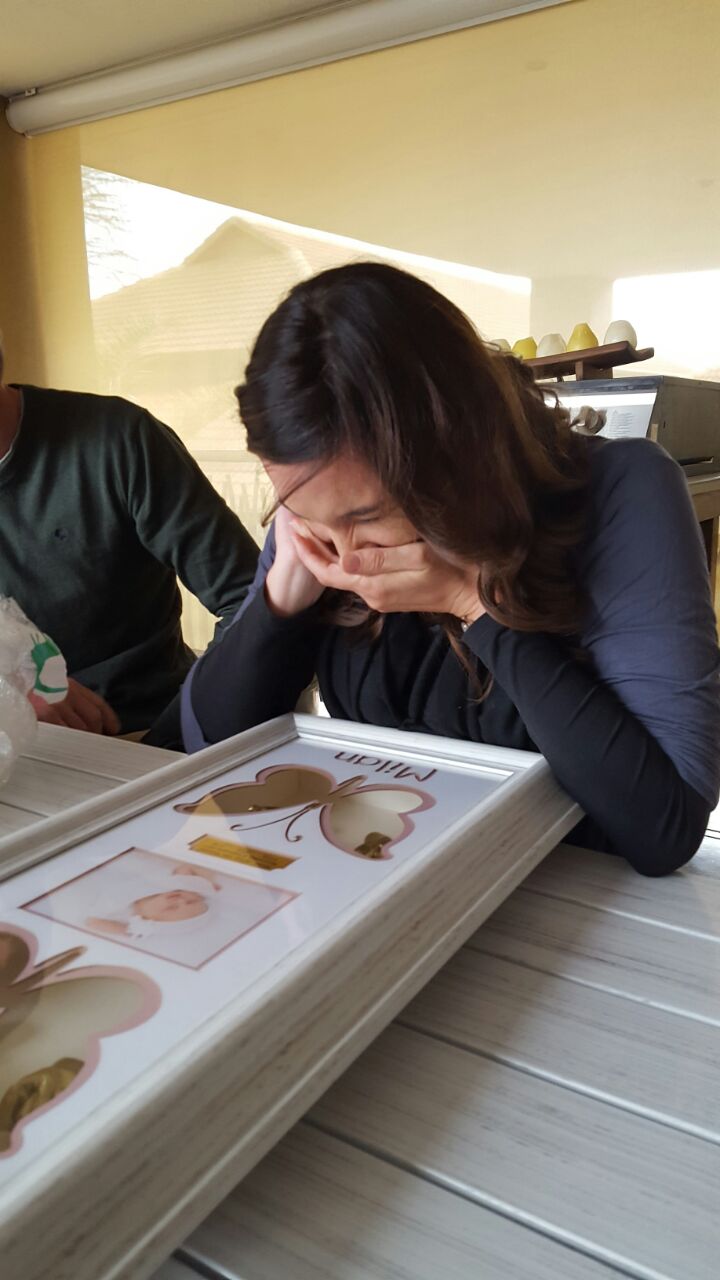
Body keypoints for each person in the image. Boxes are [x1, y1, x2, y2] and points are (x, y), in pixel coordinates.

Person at [179, 263, 720, 876]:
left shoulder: (623, 489)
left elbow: (664, 830)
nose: (345, 556)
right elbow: (205, 749)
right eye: (306, 514)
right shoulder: (317, 525)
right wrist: (280, 601)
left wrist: (472, 602)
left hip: (574, 894)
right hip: (391, 876)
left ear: (457, 460)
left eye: (368, 516)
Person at [0, 341, 259, 734]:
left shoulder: (118, 439)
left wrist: (187, 726)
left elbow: (251, 600)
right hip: (18, 748)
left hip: (147, 734)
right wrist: (10, 690)